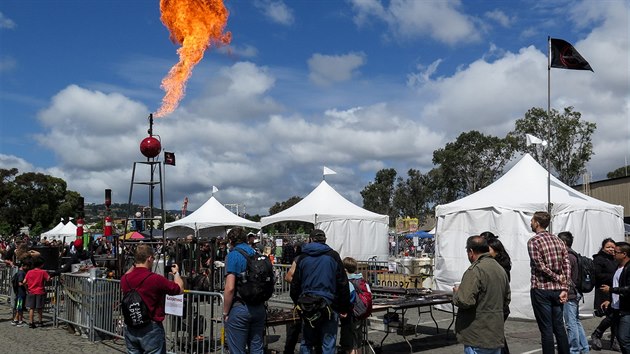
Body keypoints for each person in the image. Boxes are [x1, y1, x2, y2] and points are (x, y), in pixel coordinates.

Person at [290, 229, 351, 354]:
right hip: (329, 304)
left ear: (311, 239)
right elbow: (343, 283)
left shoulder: (302, 257)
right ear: (325, 240)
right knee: (328, 343)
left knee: (307, 341)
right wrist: (344, 307)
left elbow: (295, 284)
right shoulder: (333, 256)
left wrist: (298, 303)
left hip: (307, 304)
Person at [121, 244, 184, 354]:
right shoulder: (155, 279)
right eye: (153, 258)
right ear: (149, 258)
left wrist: (135, 264)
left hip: (131, 325)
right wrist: (176, 273)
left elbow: (126, 274)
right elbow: (179, 289)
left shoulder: (125, 279)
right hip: (150, 327)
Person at [453, 235, 510, 354]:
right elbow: (507, 299)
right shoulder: (499, 269)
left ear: (471, 252)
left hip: (477, 334)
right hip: (494, 333)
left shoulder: (475, 270)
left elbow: (465, 300)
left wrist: (457, 293)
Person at [527, 211, 571, 354]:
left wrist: (557, 278)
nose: (531, 223)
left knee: (546, 329)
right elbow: (566, 264)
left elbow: (540, 266)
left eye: (532, 220)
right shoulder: (558, 240)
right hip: (557, 289)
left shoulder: (533, 241)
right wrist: (564, 287)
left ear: (537, 223)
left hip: (541, 288)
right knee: (559, 326)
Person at [223, 228, 266, 354]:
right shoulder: (255, 252)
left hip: (240, 306)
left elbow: (230, 287)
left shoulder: (233, 255)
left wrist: (225, 312)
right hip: (258, 306)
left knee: (237, 350)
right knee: (257, 348)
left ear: (230, 241)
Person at [557, 231, 590, 354]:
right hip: (575, 292)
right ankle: (584, 348)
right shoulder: (574, 254)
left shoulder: (568, 257)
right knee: (576, 322)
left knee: (571, 324)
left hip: (570, 293)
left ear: (564, 242)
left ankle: (574, 350)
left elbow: (567, 277)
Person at [481, 232, 512, 354]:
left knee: (495, 336)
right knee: (497, 335)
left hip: (497, 306)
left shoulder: (498, 267)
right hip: (499, 306)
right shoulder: (499, 264)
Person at [600, 241, 630, 354]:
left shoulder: (628, 268)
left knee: (624, 338)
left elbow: (628, 289)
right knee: (619, 337)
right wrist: (610, 299)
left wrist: (611, 290)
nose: (613, 254)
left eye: (616, 252)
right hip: (617, 307)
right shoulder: (618, 267)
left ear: (624, 254)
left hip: (626, 309)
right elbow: (616, 284)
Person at [591, 237, 618, 350]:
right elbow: (596, 275)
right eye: (608, 247)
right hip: (604, 291)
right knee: (611, 315)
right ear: (603, 248)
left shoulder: (616, 259)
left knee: (616, 316)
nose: (611, 249)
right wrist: (614, 277)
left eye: (613, 247)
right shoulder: (599, 259)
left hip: (615, 290)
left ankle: (615, 341)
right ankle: (597, 333)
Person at [340, 257, 369, 354]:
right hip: (361, 313)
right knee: (358, 342)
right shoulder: (361, 280)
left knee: (350, 343)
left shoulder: (348, 282)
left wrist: (343, 310)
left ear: (344, 269)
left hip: (351, 314)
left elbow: (349, 298)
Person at [22, 256, 50, 328]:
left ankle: (31, 322)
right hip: (40, 291)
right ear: (42, 265)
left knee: (31, 308)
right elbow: (48, 279)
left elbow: (24, 282)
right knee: (40, 308)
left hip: (31, 291)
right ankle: (40, 321)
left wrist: (27, 289)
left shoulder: (29, 272)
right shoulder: (43, 272)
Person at [11, 262, 27, 327]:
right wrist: (26, 286)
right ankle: (19, 321)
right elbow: (20, 283)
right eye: (26, 266)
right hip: (21, 292)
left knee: (19, 307)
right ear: (23, 265)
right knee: (20, 307)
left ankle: (17, 320)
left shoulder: (18, 272)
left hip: (19, 292)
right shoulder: (21, 273)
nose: (27, 267)